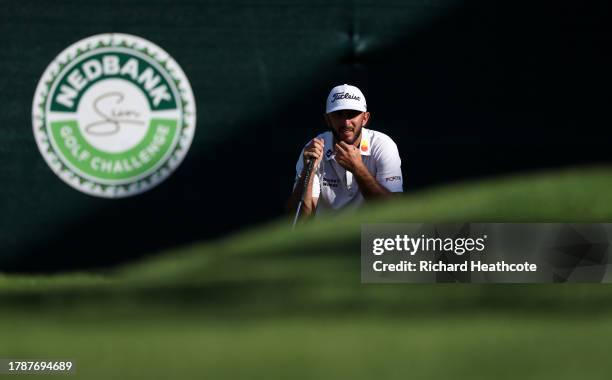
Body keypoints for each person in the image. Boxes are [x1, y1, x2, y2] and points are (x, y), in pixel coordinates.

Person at [288, 84, 403, 220]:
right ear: (327, 119)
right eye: (338, 115)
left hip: (370, 234)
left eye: (352, 114)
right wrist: (308, 174)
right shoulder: (313, 149)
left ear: (365, 118)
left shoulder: (382, 144)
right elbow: (299, 219)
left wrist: (358, 169)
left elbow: (393, 209)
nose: (346, 122)